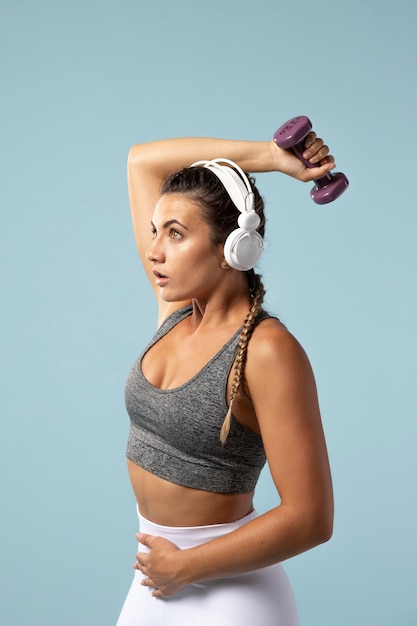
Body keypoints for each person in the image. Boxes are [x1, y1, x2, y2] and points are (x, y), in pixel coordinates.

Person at [117, 129, 335, 626]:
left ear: (232, 249)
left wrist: (186, 566)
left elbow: (311, 517)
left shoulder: (267, 349)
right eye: (155, 231)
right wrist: (272, 159)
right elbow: (141, 162)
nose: (154, 251)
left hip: (228, 594)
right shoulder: (174, 312)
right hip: (155, 579)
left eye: (175, 233)